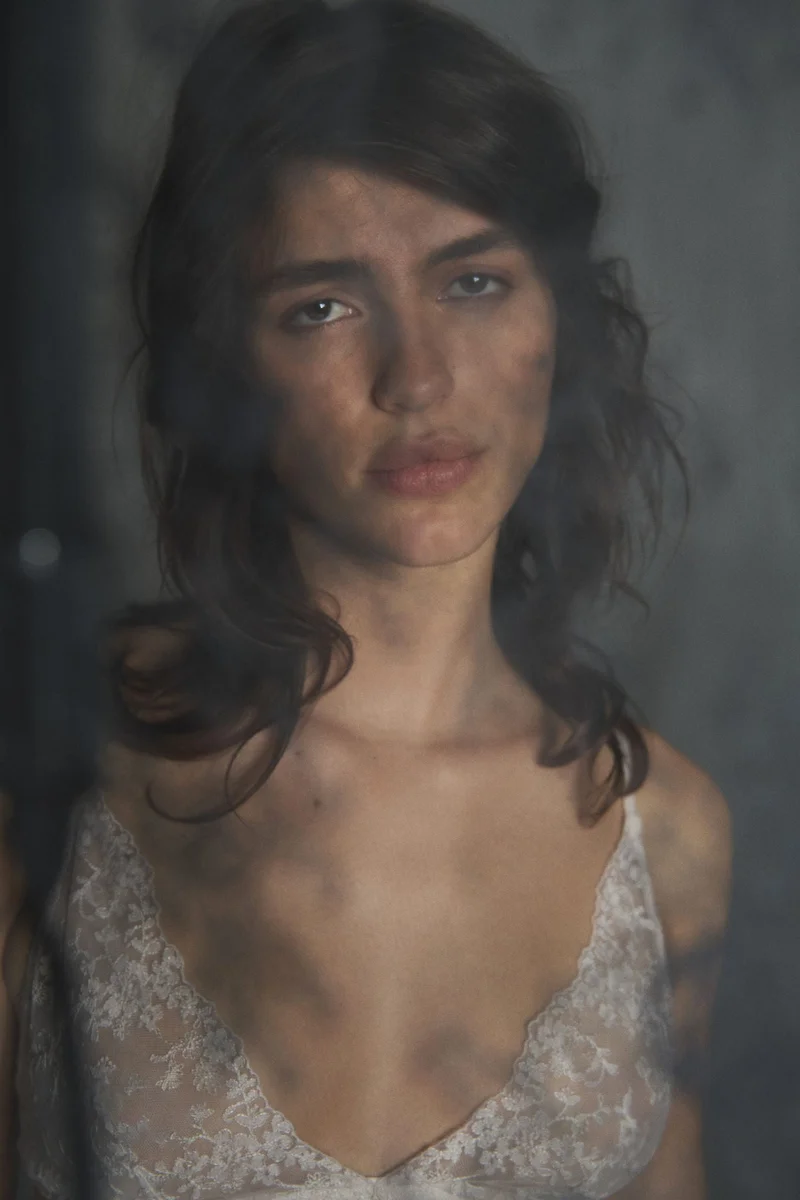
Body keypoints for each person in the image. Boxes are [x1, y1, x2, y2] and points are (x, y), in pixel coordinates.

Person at [2, 1, 732, 1196]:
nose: (416, 378)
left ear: (559, 320)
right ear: (222, 360)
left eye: (474, 281)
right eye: (323, 307)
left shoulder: (669, 834)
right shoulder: (51, 752)